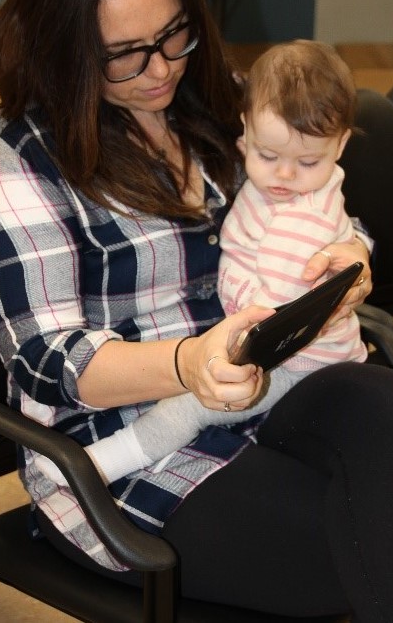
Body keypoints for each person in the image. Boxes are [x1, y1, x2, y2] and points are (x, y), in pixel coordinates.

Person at [0, 0, 393, 622]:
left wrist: (349, 254)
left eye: (174, 34)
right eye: (126, 56)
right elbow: (48, 358)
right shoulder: (16, 158)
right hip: (126, 450)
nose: (162, 68)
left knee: (385, 408)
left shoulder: (213, 98)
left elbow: (320, 191)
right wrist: (187, 362)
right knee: (369, 545)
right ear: (63, 45)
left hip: (262, 388)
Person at [34, 39, 368, 487]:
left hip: (299, 363)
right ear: (245, 129)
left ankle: (102, 463)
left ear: (341, 144)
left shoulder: (299, 221)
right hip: (288, 344)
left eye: (307, 161)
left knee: (187, 408)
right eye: (268, 156)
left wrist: (222, 360)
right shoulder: (290, 173)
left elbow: (273, 324)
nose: (285, 176)